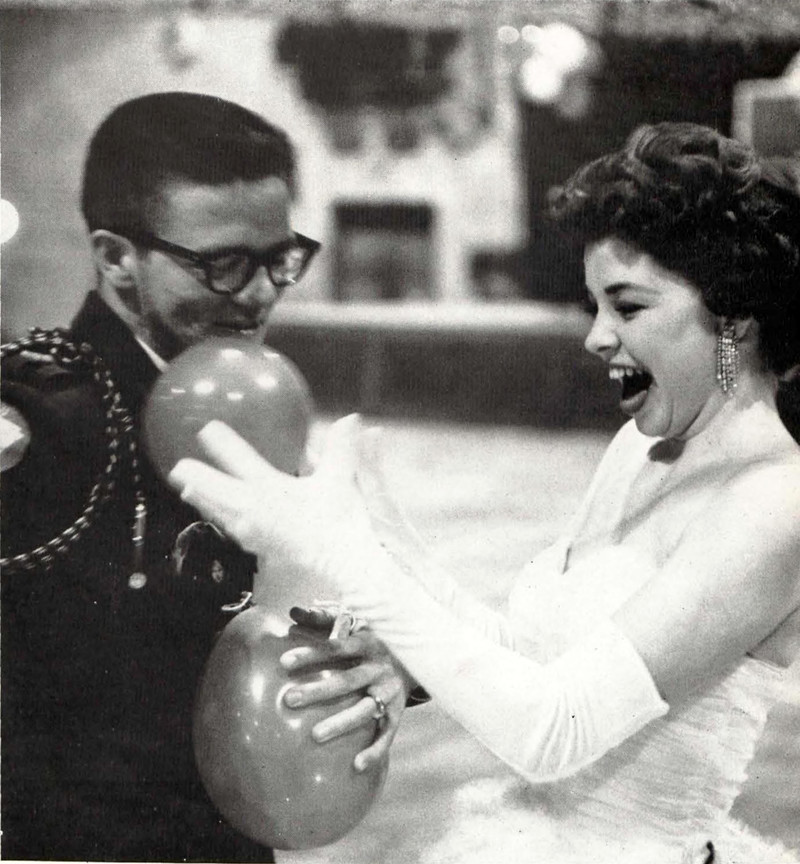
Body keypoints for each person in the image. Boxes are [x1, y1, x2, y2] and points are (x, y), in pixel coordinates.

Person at [169, 122, 800, 864]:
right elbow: (531, 658)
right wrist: (384, 538)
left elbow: (555, 729)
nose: (596, 337)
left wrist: (340, 555)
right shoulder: (642, 444)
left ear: (733, 321)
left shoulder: (776, 501)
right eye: (594, 306)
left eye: (628, 308)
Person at [0, 91, 410, 862]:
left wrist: (389, 658)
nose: (260, 293)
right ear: (116, 258)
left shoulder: (250, 398)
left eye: (279, 258)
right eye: (222, 264)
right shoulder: (38, 414)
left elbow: (325, 596)